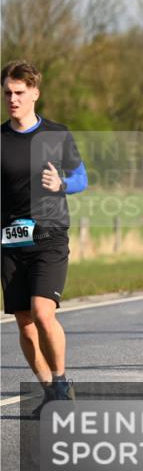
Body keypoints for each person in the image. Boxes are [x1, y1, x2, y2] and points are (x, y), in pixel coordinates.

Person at [2, 60, 88, 414]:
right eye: (7, 93)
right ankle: (51, 392)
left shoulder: (56, 134)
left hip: (50, 235)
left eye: (19, 93)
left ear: (35, 93)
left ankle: (62, 378)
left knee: (41, 311)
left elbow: (82, 178)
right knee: (23, 322)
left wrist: (62, 184)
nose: (12, 99)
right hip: (9, 239)